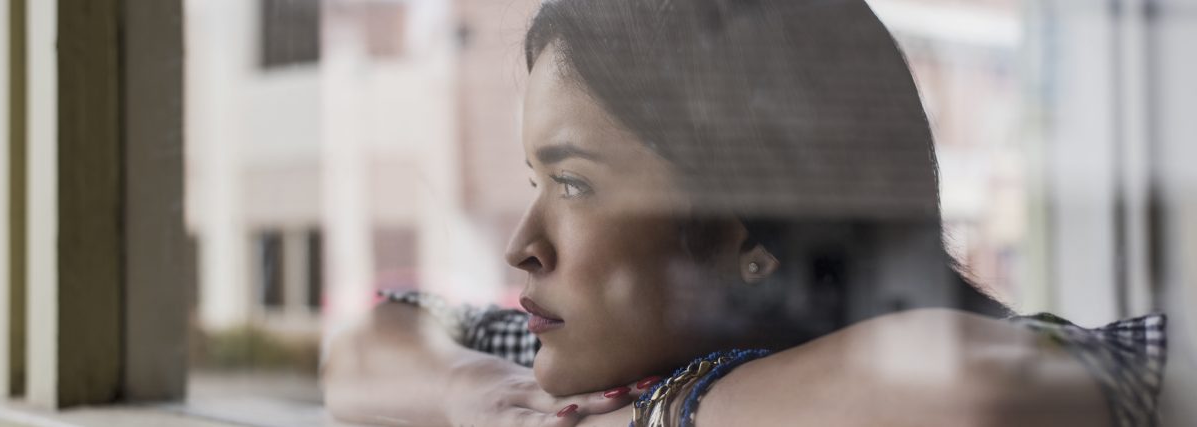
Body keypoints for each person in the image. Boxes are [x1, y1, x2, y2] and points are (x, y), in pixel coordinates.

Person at [322, 0, 1167, 426]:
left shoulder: (1097, 364)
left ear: (750, 234)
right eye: (534, 181)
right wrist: (477, 390)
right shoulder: (611, 360)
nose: (522, 245)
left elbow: (976, 391)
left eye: (574, 183)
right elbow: (369, 342)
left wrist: (667, 412)